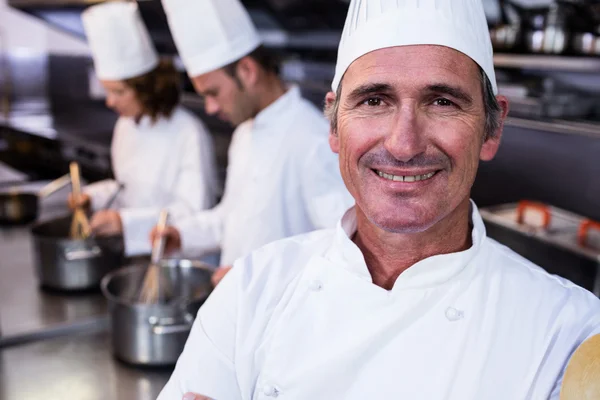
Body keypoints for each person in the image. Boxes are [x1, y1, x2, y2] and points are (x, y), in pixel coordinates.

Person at [158, 0, 600, 399]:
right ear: (334, 126)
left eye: (443, 101)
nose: (404, 143)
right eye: (374, 100)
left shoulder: (570, 334)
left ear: (492, 128)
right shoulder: (250, 294)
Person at [151, 0, 353, 284]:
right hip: (238, 311)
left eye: (213, 93)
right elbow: (232, 219)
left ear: (247, 70)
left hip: (281, 319)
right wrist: (182, 235)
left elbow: (342, 246)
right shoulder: (244, 132)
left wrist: (254, 278)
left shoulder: (310, 137)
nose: (209, 107)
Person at [69, 1, 218, 256]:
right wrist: (93, 197)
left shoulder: (188, 132)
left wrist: (125, 223)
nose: (110, 101)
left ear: (147, 88)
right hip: (136, 253)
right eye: (107, 90)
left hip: (178, 259)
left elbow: (194, 211)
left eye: (118, 92)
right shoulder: (125, 126)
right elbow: (126, 188)